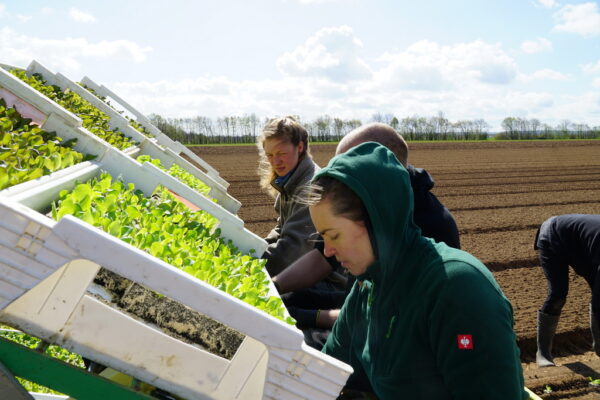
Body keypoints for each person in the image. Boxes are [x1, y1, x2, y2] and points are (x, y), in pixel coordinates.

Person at [305, 141, 527, 399]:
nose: (328, 251)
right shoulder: (369, 285)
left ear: (378, 222)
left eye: (333, 235)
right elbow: (326, 371)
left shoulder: (457, 288)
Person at [273, 123, 460, 333]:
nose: (338, 178)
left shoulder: (432, 226)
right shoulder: (360, 205)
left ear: (380, 166)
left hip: (388, 325)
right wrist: (273, 286)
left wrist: (311, 317)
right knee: (293, 298)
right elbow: (323, 257)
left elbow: (384, 318)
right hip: (358, 300)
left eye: (348, 168)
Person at [534, 214, 600, 367]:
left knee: (597, 290)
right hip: (553, 236)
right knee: (558, 294)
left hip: (584, 248)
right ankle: (543, 353)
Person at [257, 116, 319, 276]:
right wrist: (257, 247)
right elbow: (282, 228)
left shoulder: (309, 188)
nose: (275, 162)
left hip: (326, 280)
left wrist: (248, 263)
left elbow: (292, 251)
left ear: (299, 147)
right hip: (305, 270)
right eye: (269, 155)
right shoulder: (290, 180)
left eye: (281, 153)